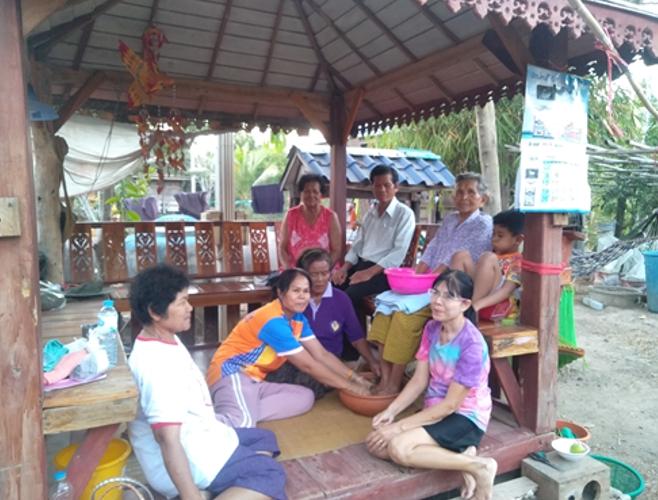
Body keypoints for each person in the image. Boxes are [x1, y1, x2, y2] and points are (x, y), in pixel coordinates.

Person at [128, 264, 286, 500]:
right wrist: (190, 494)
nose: (189, 308)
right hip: (190, 459)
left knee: (264, 438)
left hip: (202, 436)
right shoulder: (156, 366)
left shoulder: (164, 337)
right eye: (182, 302)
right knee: (270, 473)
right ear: (155, 312)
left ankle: (222, 486)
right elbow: (167, 440)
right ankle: (199, 492)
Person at [366, 270, 496, 500]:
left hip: (465, 417)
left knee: (399, 448)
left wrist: (398, 428)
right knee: (376, 444)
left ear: (465, 304)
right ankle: (464, 457)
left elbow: (450, 406)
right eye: (435, 292)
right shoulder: (432, 328)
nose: (437, 301)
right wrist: (391, 412)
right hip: (434, 411)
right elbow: (419, 380)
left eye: (448, 296)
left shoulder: (472, 345)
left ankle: (479, 466)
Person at [368, 172, 493, 394]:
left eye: (471, 192)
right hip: (428, 284)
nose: (464, 197)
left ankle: (394, 383)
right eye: (459, 192)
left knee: (404, 318)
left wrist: (429, 283)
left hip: (450, 291)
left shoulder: (483, 224)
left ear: (483, 199)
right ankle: (385, 379)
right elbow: (433, 248)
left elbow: (454, 261)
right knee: (385, 310)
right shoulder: (451, 219)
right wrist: (417, 275)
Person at [206, 268, 372, 428]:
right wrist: (350, 387)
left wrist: (355, 378)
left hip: (256, 381)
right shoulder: (272, 320)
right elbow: (308, 365)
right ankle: (213, 419)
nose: (302, 296)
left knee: (305, 397)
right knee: (241, 424)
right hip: (233, 373)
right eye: (296, 291)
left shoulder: (298, 319)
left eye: (306, 291)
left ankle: (242, 411)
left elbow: (321, 354)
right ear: (281, 293)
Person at [266, 248, 381, 398]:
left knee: (311, 385)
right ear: (303, 275)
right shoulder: (294, 302)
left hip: (328, 361)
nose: (320, 279)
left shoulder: (341, 299)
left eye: (325, 273)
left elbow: (356, 338)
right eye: (314, 274)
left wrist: (372, 362)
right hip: (295, 359)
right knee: (281, 379)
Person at [332, 164, 415, 312]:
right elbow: (357, 246)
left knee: (350, 296)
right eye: (377, 185)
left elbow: (398, 253)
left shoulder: (404, 214)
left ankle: (355, 328)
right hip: (361, 266)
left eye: (386, 185)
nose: (382, 189)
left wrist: (368, 273)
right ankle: (336, 328)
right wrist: (344, 269)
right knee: (333, 288)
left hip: (384, 273)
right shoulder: (370, 215)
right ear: (372, 188)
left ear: (396, 187)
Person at [455, 209, 525, 322]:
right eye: (493, 234)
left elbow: (506, 291)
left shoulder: (517, 261)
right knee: (461, 256)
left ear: (517, 239)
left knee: (488, 257)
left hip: (494, 306)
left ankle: (469, 312)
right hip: (475, 300)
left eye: (500, 235)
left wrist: (476, 305)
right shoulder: (493, 255)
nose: (494, 239)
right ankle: (454, 303)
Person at [278, 174, 342, 269]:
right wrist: (289, 270)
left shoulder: (331, 217)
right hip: (296, 270)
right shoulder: (291, 215)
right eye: (306, 191)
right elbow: (282, 248)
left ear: (321, 195)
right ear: (301, 194)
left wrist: (322, 270)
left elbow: (336, 250)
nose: (311, 195)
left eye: (315, 192)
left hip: (324, 271)